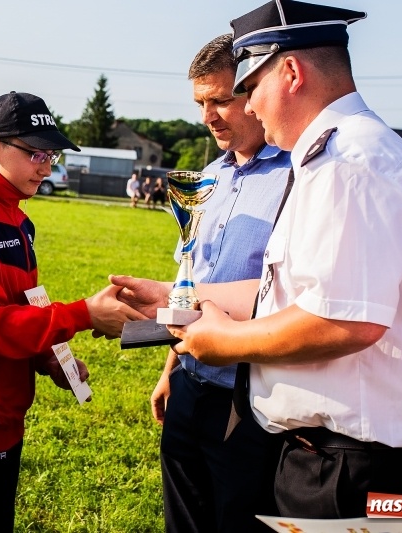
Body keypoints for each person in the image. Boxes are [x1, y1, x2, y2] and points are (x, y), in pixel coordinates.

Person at [113, 2, 402, 532]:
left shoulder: (350, 163)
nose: (251, 106)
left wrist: (222, 344)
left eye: (250, 86)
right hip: (336, 461)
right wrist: (172, 293)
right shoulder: (333, 159)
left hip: (363, 471)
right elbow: (284, 293)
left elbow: (346, 321)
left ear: (290, 72)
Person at [0, 91, 144, 533]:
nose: (47, 165)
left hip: (3, 411)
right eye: (35, 152)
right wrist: (83, 314)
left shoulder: (17, 218)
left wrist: (50, 359)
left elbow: (24, 304)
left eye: (52, 153)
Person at [149, 33, 292, 533]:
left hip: (252, 399)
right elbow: (190, 278)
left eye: (220, 99)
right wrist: (171, 367)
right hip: (190, 382)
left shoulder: (302, 177)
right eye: (200, 103)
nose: (207, 116)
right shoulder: (205, 178)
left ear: (253, 91)